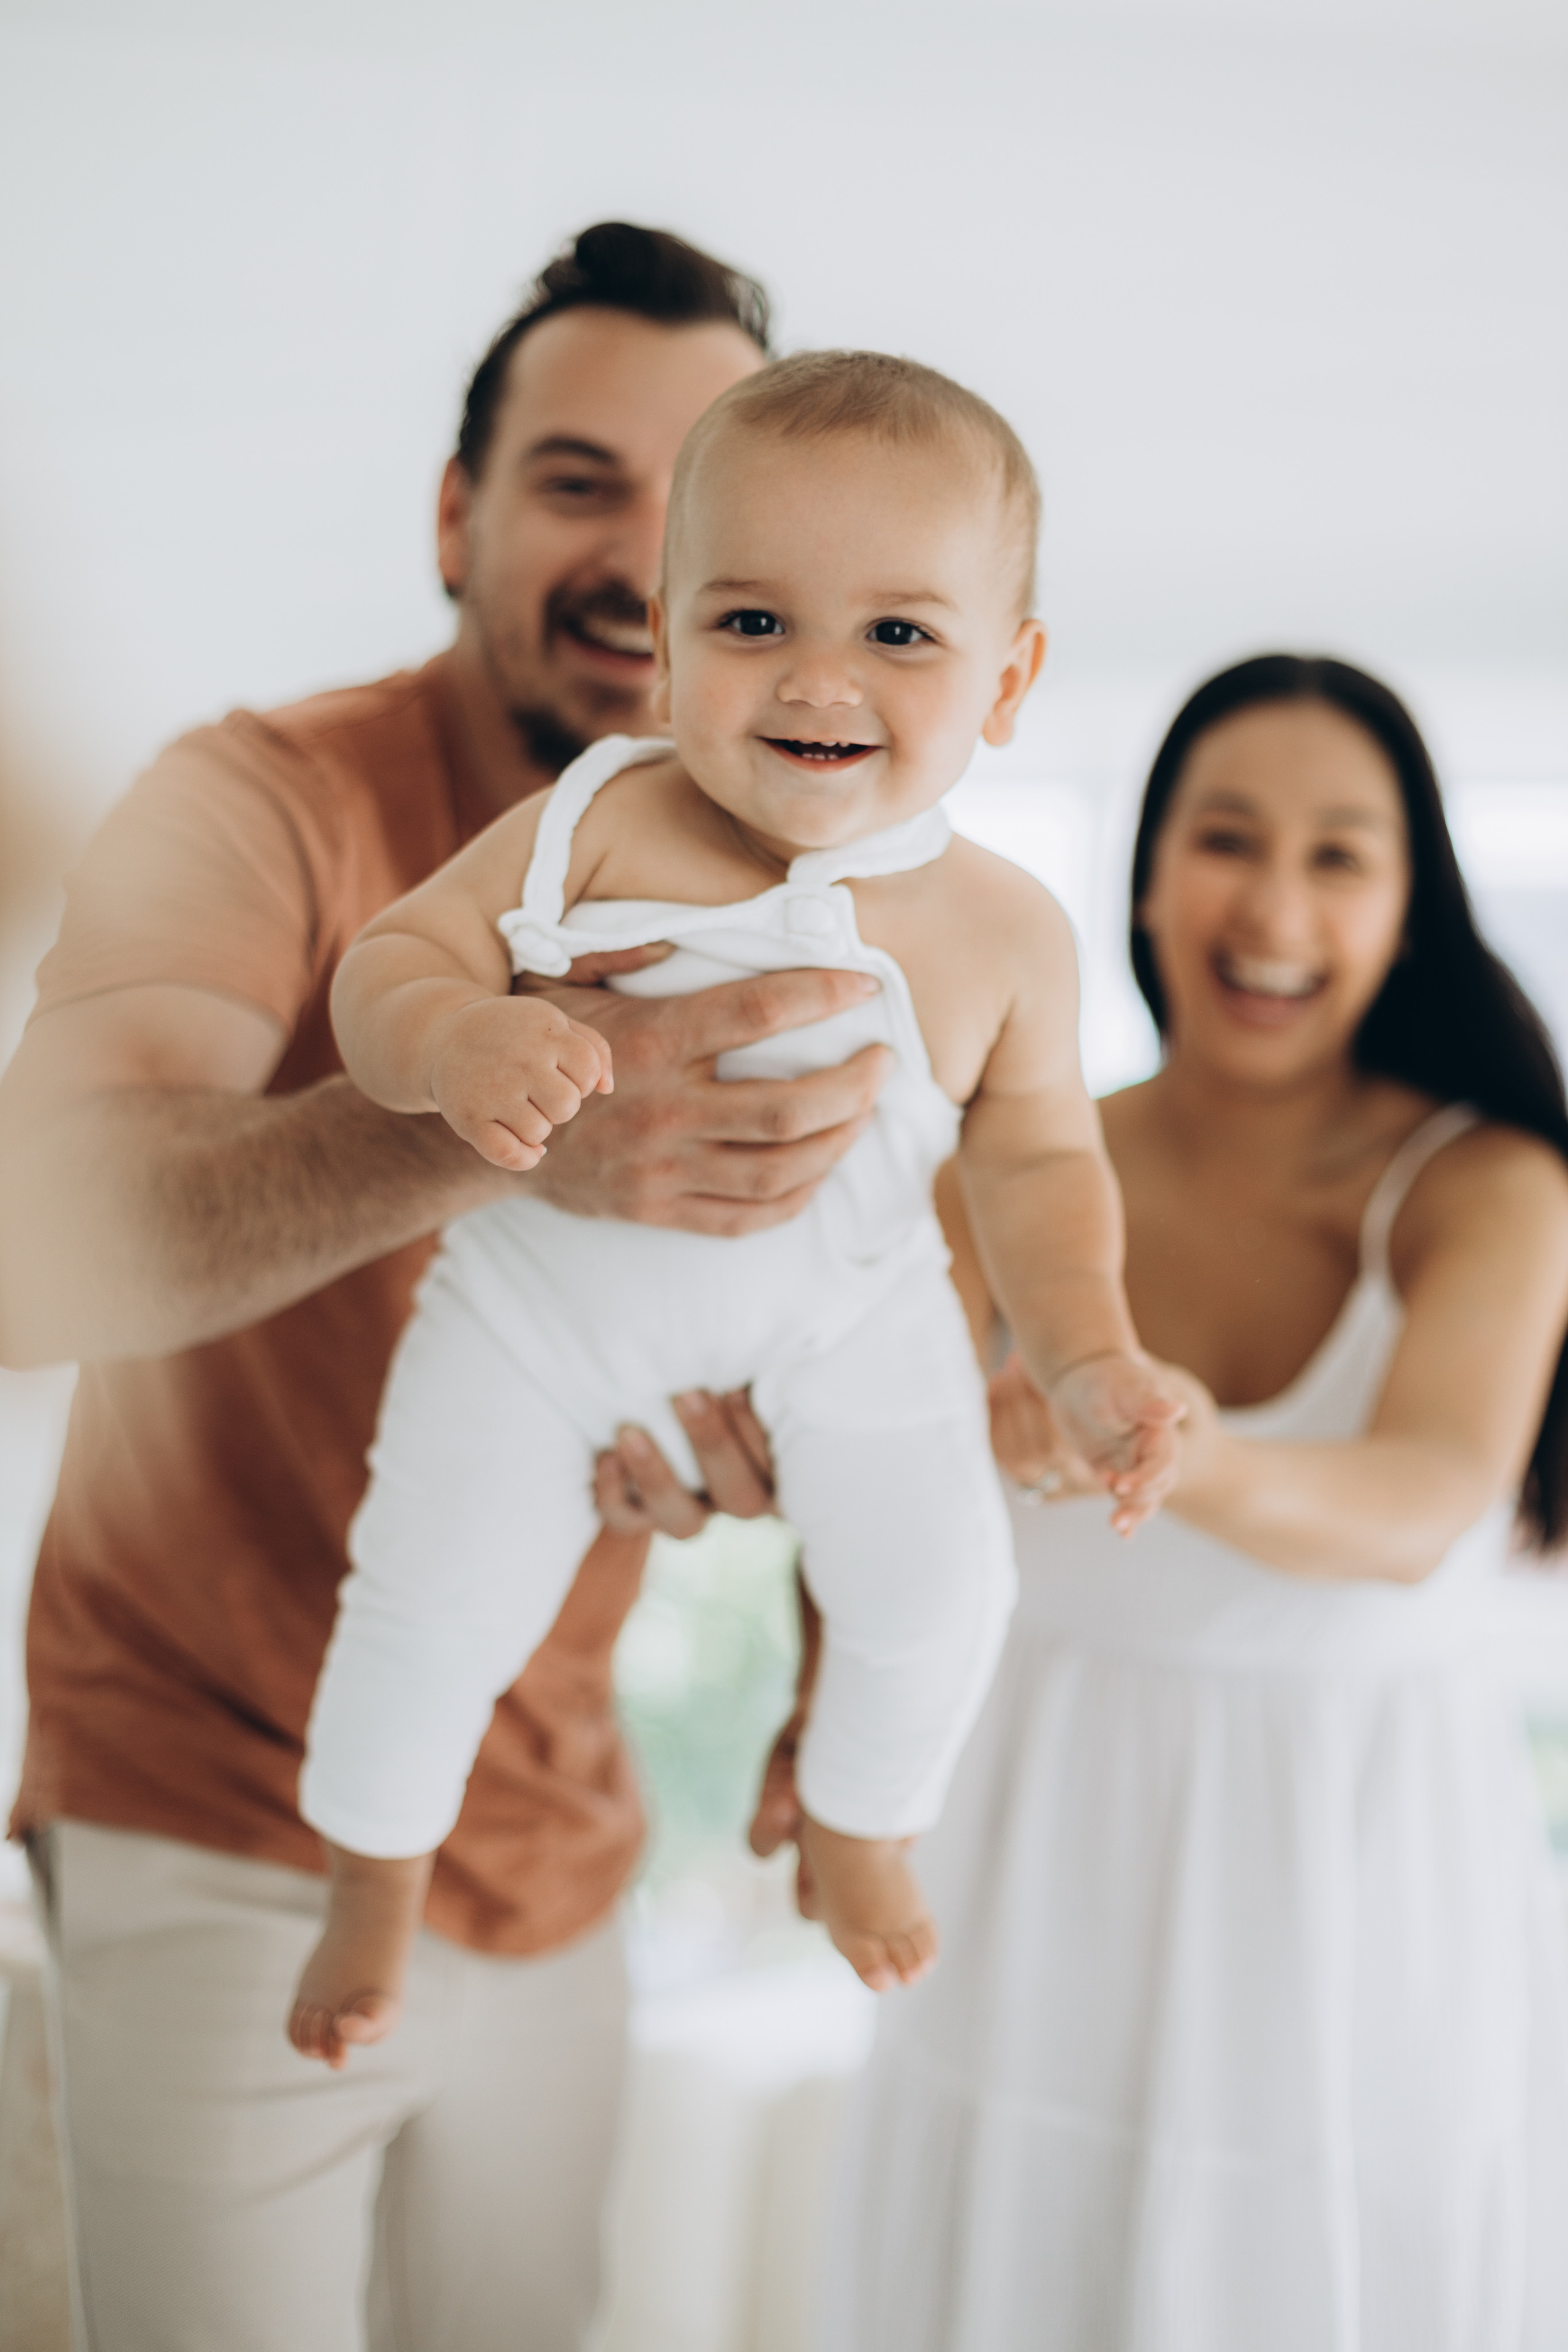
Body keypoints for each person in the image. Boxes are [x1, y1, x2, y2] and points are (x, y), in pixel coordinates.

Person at [0, 223, 895, 2352]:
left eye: (697, 503)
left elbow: (867, 1309)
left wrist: (806, 1583)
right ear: (455, 515)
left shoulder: (807, 883)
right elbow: (32, 1246)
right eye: (580, 479)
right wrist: (486, 1128)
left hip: (560, 1841)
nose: (636, 553)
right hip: (213, 1809)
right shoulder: (260, 803)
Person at [282, 350, 1182, 2060]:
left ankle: (861, 1822)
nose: (815, 679)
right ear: (673, 636)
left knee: (943, 1589)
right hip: (539, 1318)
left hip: (850, 1320)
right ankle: (375, 1878)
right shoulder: (591, 826)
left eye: (899, 635)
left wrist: (1087, 1359)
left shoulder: (1001, 932)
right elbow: (387, 967)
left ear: (1012, 676)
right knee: (425, 1597)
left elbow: (1045, 1165)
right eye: (752, 622)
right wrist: (457, 1034)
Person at [802, 654, 1568, 2351]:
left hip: (1363, 1878)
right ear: (1147, 873)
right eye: (1227, 836)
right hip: (1034, 1838)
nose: (1274, 903)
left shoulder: (1494, 1186)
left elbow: (1421, 1503)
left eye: (1341, 854)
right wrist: (818, 1717)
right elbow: (848, 1500)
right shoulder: (990, 1165)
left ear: (1406, 903)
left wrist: (1170, 1444)